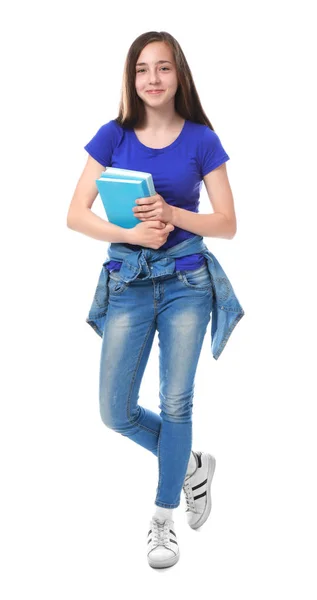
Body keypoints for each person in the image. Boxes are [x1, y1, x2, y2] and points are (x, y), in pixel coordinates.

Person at [67, 31, 240, 569]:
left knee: (175, 402)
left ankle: (163, 521)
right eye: (143, 70)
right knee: (113, 412)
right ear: (132, 78)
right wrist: (136, 236)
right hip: (130, 281)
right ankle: (189, 461)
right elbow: (76, 213)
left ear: (179, 75)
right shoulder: (112, 136)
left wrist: (171, 214)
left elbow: (227, 224)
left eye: (163, 68)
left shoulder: (202, 140)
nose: (153, 79)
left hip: (187, 283)